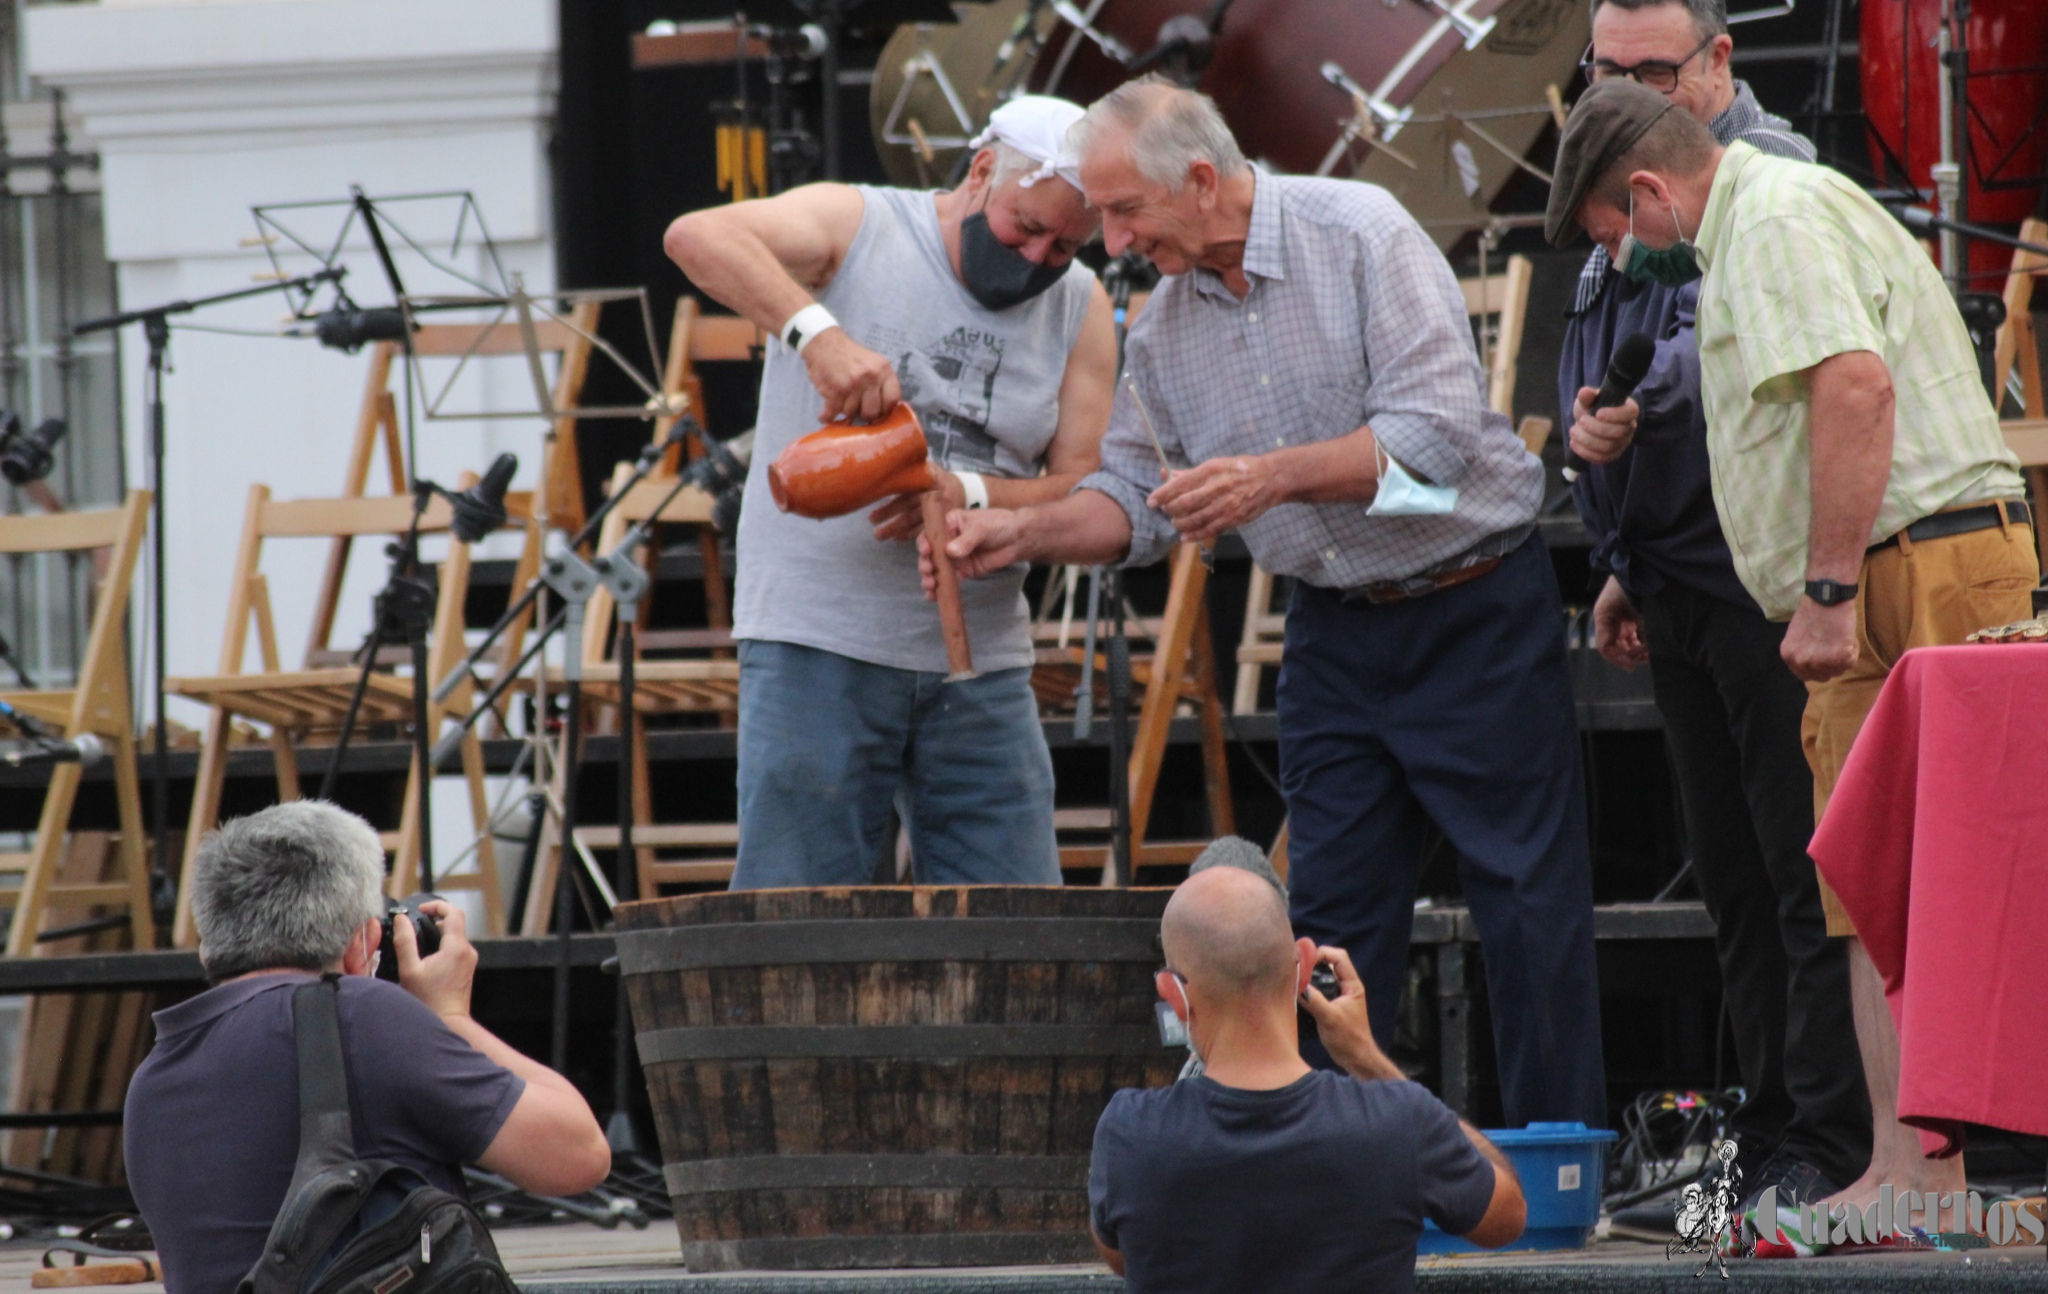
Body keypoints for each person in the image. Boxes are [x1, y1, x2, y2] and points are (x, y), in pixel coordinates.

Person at [929, 79, 1606, 1128]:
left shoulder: (1359, 233)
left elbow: (1431, 436)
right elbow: (1132, 503)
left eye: (1123, 212)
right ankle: (1331, 1162)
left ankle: (1557, 1175)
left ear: (1201, 180)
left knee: (1526, 905)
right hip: (1332, 631)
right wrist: (1021, 532)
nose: (1108, 240)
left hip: (1472, 606)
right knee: (1326, 922)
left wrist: (1271, 477)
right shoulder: (1159, 336)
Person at [1546, 78, 2038, 1244]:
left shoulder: (1765, 222)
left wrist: (1823, 590)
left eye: (1620, 240)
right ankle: (1899, 1170)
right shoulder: (1742, 229)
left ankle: (1960, 1175)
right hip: (1868, 569)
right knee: (1867, 886)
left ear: (1654, 190)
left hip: (1904, 567)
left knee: (1942, 880)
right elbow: (1779, 429)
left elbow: (1852, 387)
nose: (1623, 269)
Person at [1557, 0, 1869, 1225]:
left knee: (1802, 873)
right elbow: (1594, 347)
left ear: (1718, 64)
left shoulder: (1769, 184)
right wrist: (1618, 557)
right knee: (1732, 879)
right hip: (1675, 582)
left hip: (1767, 585)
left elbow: (1732, 361)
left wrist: (1629, 412)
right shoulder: (1621, 194)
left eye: (1652, 71)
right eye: (1606, 72)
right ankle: (1769, 1134)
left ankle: (1831, 1143)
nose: (1627, 93)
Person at [663, 96, 1115, 888]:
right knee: (800, 917)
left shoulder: (1081, 303)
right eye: (1023, 228)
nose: (1039, 257)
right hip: (819, 640)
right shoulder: (860, 225)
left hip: (980, 659)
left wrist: (965, 491)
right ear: (981, 173)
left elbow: (1083, 483)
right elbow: (696, 235)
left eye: (1064, 246)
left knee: (1015, 927)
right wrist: (818, 337)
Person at [124, 801, 610, 1294]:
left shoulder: (153, 1080)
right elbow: (579, 1155)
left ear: (207, 946)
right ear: (365, 941)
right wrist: (451, 1018)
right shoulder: (359, 1016)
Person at [1088, 866, 1526, 1292]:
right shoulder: (1398, 1121)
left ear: (1174, 996)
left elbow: (1125, 1256)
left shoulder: (1130, 1132)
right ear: (1304, 964)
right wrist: (1368, 1059)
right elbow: (1508, 1217)